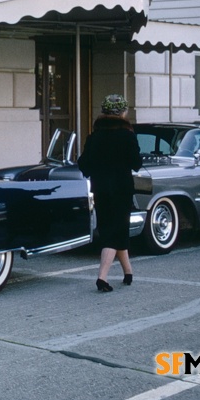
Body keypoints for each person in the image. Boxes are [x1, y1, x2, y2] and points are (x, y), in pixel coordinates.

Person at [77, 94, 142, 293]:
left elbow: (84, 165)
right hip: (122, 190)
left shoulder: (94, 136)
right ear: (123, 113)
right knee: (115, 233)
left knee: (113, 230)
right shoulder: (127, 135)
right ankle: (102, 277)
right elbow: (136, 164)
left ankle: (128, 273)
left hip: (100, 189)